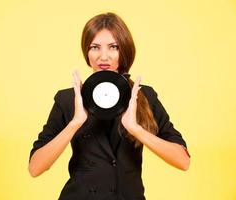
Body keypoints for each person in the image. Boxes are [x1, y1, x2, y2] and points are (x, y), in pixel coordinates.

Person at [28, 12, 190, 200]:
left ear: (124, 51)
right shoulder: (68, 99)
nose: (103, 56)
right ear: (86, 52)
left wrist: (137, 130)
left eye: (113, 47)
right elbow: (35, 168)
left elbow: (183, 161)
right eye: (95, 47)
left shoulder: (144, 96)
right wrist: (75, 123)